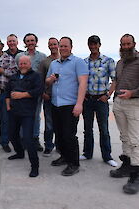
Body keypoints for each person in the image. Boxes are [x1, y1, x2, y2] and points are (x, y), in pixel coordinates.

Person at [46, 37, 88, 176]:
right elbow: (47, 80)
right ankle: (64, 156)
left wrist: (79, 104)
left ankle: (74, 163)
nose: (63, 48)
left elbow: (83, 84)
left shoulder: (78, 62)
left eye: (65, 46)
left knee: (69, 135)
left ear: (71, 47)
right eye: (61, 46)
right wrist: (51, 80)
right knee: (59, 134)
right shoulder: (54, 63)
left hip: (70, 105)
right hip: (55, 104)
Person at [80, 35, 117, 167]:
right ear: (88, 45)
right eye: (91, 44)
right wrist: (82, 94)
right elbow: (80, 80)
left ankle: (107, 156)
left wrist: (108, 95)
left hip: (101, 99)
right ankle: (87, 153)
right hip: (88, 100)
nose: (93, 47)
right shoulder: (83, 62)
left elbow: (114, 80)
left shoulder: (108, 61)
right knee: (87, 129)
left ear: (99, 45)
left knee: (104, 129)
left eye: (95, 44)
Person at [110, 34, 139, 195]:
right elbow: (116, 81)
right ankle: (127, 166)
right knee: (124, 137)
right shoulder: (120, 62)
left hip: (134, 104)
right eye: (123, 44)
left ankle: (136, 175)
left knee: (135, 140)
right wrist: (111, 95)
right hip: (119, 104)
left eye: (128, 44)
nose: (125, 46)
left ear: (134, 44)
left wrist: (132, 93)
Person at [6, 55, 43, 177]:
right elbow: (7, 92)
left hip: (27, 113)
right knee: (12, 135)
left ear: (29, 64)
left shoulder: (35, 76)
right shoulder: (14, 77)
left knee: (27, 139)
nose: (22, 65)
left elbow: (38, 91)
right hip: (14, 112)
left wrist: (22, 95)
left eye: (25, 63)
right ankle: (20, 153)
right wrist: (8, 106)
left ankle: (35, 166)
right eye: (20, 63)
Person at [16, 33, 46, 151]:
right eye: (28, 41)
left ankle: (35, 139)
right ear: (25, 43)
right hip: (22, 90)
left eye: (32, 40)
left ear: (36, 42)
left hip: (36, 91)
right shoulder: (19, 56)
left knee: (36, 116)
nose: (30, 43)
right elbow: (16, 72)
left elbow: (44, 74)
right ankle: (23, 139)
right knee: (23, 115)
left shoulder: (42, 56)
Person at [38, 37, 60, 157]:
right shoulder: (45, 62)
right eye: (50, 44)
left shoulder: (64, 60)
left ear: (58, 45)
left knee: (60, 123)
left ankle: (59, 145)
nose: (52, 46)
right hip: (48, 97)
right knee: (49, 124)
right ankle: (48, 146)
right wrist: (42, 93)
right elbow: (40, 80)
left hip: (62, 98)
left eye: (54, 44)